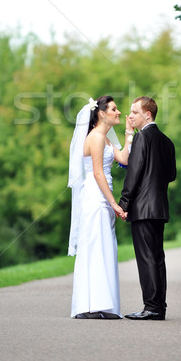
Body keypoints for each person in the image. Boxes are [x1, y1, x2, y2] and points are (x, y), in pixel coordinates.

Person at [68, 95, 132, 319]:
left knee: (106, 247)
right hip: (96, 198)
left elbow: (124, 158)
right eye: (114, 109)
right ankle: (88, 306)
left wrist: (129, 132)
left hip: (104, 198)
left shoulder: (105, 140)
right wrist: (114, 202)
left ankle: (105, 304)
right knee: (94, 247)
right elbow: (97, 173)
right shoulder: (95, 138)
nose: (118, 112)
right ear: (102, 113)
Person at [118, 96, 176, 321]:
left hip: (142, 208)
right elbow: (171, 175)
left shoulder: (142, 138)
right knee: (157, 258)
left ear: (147, 114)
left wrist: (124, 202)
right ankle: (159, 306)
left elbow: (134, 173)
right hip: (159, 207)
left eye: (134, 112)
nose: (130, 116)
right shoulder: (167, 141)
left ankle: (151, 307)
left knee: (146, 258)